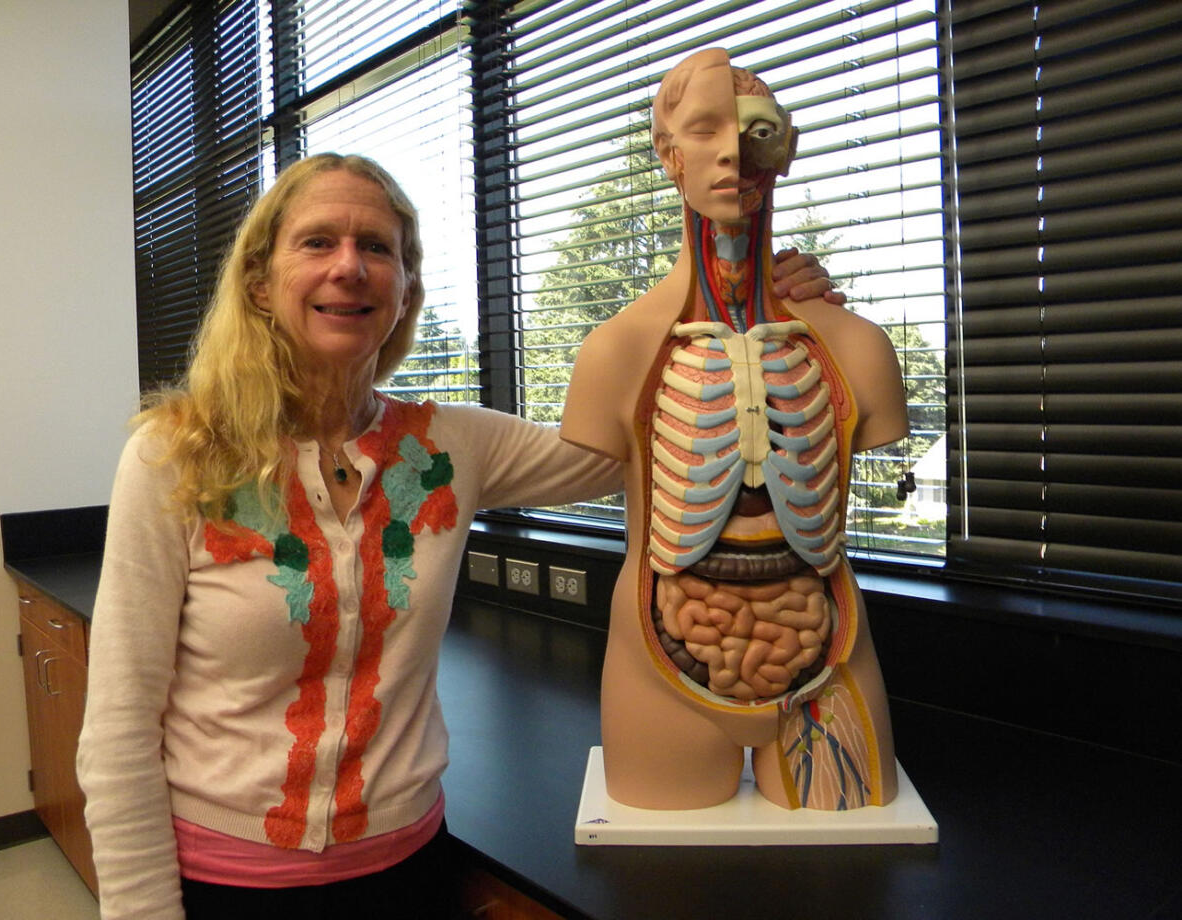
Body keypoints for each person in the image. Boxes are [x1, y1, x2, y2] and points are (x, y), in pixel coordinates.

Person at [76, 152, 838, 919]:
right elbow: (118, 728)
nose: (351, 267)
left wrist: (753, 307)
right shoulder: (175, 459)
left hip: (407, 872)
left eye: (378, 248)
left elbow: (621, 451)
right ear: (259, 283)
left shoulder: (447, 447)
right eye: (317, 242)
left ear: (405, 291)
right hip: (226, 887)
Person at [560, 49, 908, 812]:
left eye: (754, 131)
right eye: (704, 129)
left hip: (829, 662)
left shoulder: (855, 347)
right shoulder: (616, 351)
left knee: (840, 883)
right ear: (668, 154)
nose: (731, 154)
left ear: (785, 147)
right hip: (657, 667)